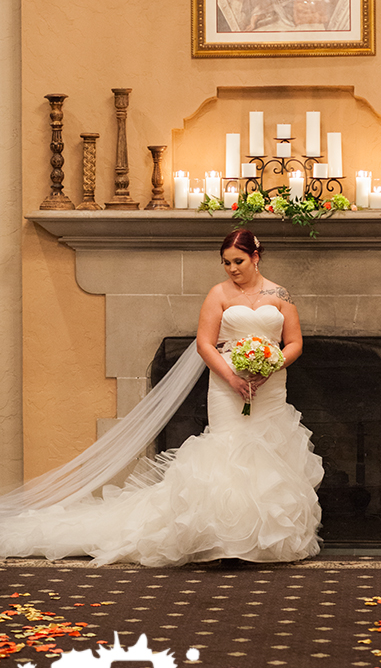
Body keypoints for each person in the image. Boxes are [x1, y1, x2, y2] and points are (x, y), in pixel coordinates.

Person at [0, 230, 322, 565]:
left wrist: (271, 366)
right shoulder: (218, 294)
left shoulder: (279, 293)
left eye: (238, 261)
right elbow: (204, 344)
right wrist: (232, 379)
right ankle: (222, 539)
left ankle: (262, 540)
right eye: (226, 262)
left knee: (269, 453)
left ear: (255, 257)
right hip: (227, 387)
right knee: (229, 451)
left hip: (270, 387)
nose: (231, 269)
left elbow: (294, 342)